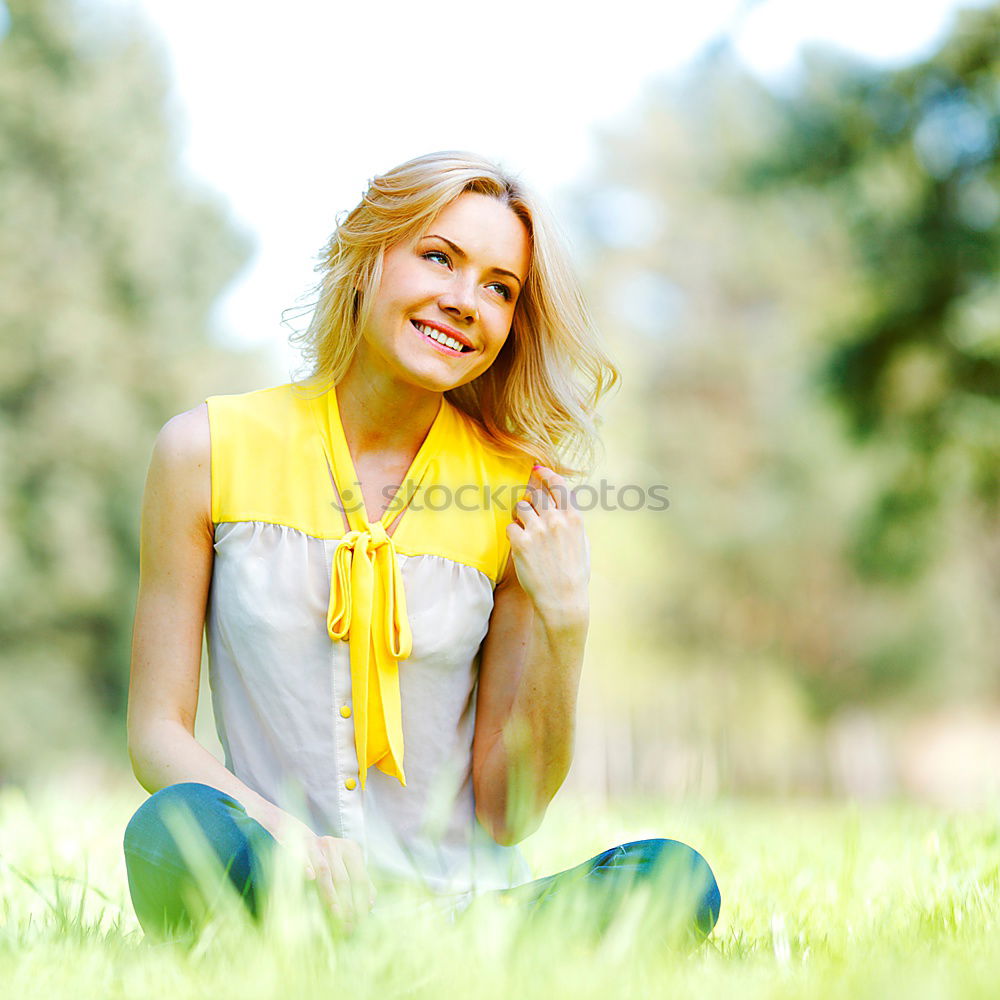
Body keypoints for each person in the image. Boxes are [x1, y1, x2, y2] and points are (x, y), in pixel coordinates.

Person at [122, 150, 721, 943]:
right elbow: (156, 732)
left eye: (499, 288)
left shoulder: (517, 494)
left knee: (673, 879)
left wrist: (565, 621)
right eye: (439, 257)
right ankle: (324, 953)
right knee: (174, 827)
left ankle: (416, 964)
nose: (465, 300)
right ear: (370, 259)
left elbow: (511, 812)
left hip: (466, 915)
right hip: (284, 885)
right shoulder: (204, 450)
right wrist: (290, 845)